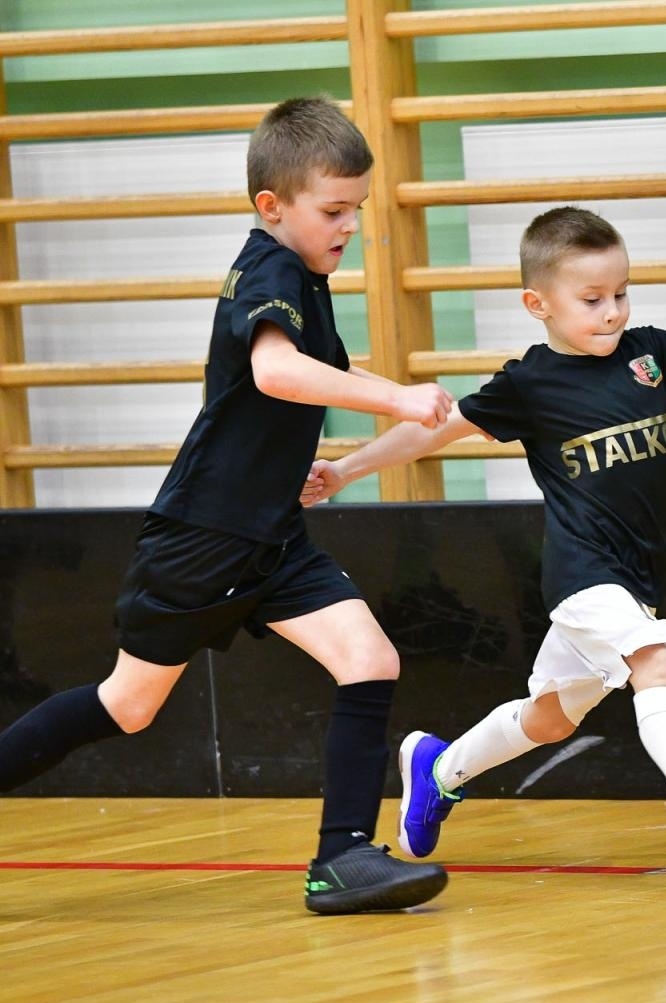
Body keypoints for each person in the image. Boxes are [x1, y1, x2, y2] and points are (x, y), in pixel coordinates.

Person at [300, 206, 666, 868]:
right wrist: (344, 468)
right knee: (656, 659)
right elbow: (434, 430)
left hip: (638, 581)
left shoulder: (650, 356)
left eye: (620, 294)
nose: (612, 311)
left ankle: (439, 768)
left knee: (550, 719)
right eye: (592, 299)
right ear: (538, 303)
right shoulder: (530, 384)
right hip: (583, 577)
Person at [0, 97, 453, 916]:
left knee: (370, 659)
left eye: (356, 209)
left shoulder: (308, 277)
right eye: (333, 211)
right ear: (272, 208)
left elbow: (273, 406)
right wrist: (396, 396)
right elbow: (277, 373)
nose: (349, 226)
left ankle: (341, 858)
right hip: (203, 539)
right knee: (126, 706)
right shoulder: (271, 270)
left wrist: (324, 471)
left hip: (271, 537)